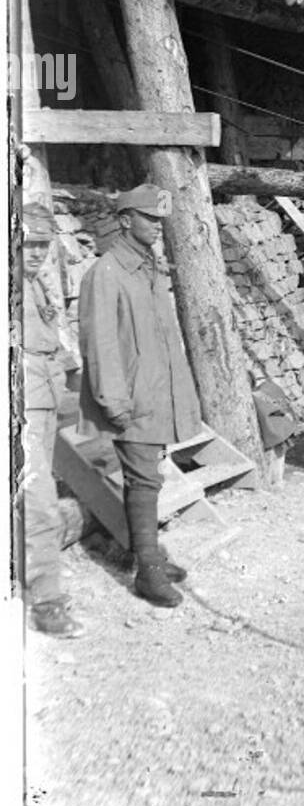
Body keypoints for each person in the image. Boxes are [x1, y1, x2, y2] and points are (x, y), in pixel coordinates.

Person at [78, 184, 201, 609]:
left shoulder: (149, 270)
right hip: (130, 399)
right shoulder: (107, 272)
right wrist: (114, 401)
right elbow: (100, 344)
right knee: (143, 479)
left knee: (151, 475)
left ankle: (149, 554)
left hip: (155, 394)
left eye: (160, 220)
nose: (156, 226)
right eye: (149, 218)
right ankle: (147, 571)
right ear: (125, 220)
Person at [19, 203, 83, 638]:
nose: (38, 252)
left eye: (44, 244)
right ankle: (45, 600)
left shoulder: (33, 286)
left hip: (43, 402)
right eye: (30, 244)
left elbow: (48, 344)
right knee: (40, 502)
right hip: (20, 408)